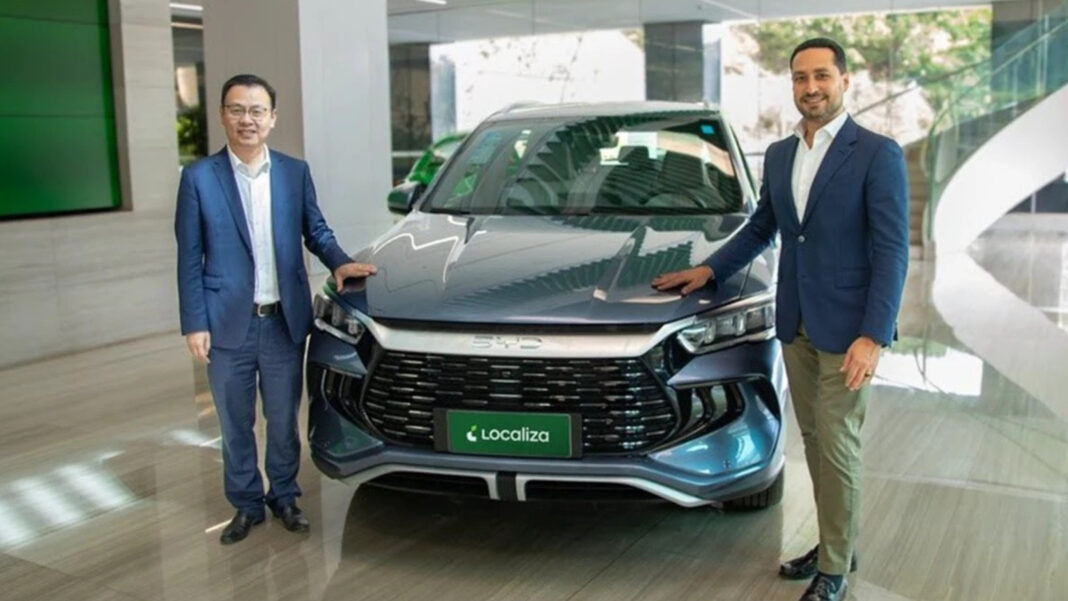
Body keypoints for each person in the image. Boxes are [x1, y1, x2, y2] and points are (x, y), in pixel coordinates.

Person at [652, 38, 908, 601]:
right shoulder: (781, 154)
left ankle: (834, 570)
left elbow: (893, 251)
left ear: (844, 81)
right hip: (795, 321)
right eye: (799, 78)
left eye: (821, 76)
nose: (810, 88)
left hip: (849, 330)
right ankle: (837, 542)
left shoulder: (877, 154)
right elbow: (763, 226)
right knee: (814, 441)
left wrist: (873, 335)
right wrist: (708, 271)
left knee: (837, 443)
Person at [175, 74, 376, 545]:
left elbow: (316, 230)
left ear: (272, 118)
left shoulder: (293, 173)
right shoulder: (198, 178)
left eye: (256, 111)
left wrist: (340, 262)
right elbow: (189, 257)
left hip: (283, 323)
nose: (247, 119)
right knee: (235, 424)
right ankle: (246, 504)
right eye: (237, 109)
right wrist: (194, 322)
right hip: (227, 323)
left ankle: (284, 495)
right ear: (223, 115)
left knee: (283, 420)